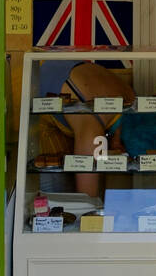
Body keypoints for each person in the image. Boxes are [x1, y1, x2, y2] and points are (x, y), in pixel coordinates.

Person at [36, 60, 136, 198]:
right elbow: (87, 199)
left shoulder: (130, 99)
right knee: (55, 183)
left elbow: (118, 131)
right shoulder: (93, 127)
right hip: (47, 89)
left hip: (65, 71)